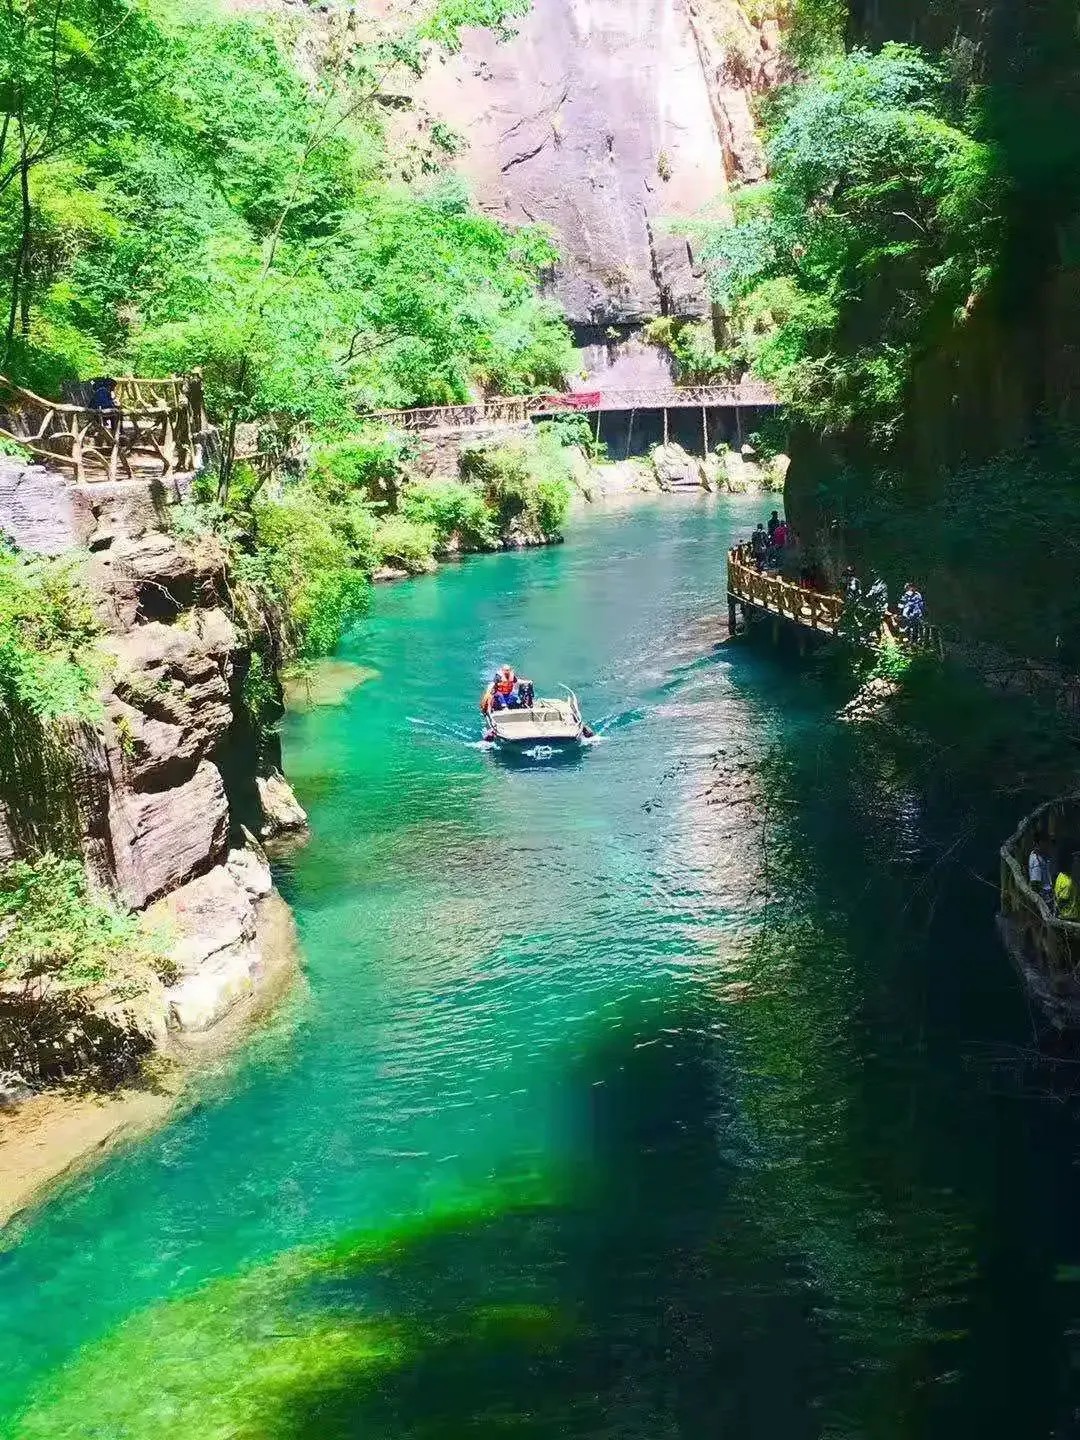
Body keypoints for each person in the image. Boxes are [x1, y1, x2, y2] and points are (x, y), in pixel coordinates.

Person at [1028, 832, 1053, 904]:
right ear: (1040, 843)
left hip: (1048, 892)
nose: (1049, 845)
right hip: (1044, 897)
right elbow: (1035, 883)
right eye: (1047, 843)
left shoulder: (1043, 856)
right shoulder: (1036, 860)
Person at [898, 581, 925, 645]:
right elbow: (921, 604)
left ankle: (911, 641)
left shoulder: (913, 594)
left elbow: (902, 604)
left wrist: (900, 612)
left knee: (911, 627)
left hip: (911, 614)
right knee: (914, 627)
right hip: (913, 614)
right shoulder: (917, 594)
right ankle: (913, 641)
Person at [1055, 852, 1080, 920]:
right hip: (1069, 917)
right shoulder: (1068, 882)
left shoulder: (1061, 875)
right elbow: (1062, 900)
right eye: (1076, 863)